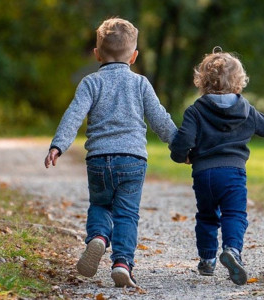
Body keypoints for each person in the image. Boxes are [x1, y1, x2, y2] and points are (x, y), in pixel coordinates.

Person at [44, 17, 177, 288]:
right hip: (132, 160)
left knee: (100, 204)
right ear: (134, 56)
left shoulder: (90, 83)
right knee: (126, 214)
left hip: (98, 160)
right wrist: (180, 145)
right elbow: (159, 119)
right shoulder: (140, 84)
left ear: (96, 54)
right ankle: (122, 263)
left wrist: (58, 145)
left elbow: (73, 116)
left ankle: (99, 237)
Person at [169, 48, 264, 285]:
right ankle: (232, 250)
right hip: (233, 175)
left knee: (206, 216)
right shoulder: (246, 111)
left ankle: (207, 260)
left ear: (202, 81)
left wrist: (182, 156)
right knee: (234, 214)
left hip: (203, 175)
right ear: (238, 82)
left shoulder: (196, 110)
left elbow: (183, 142)